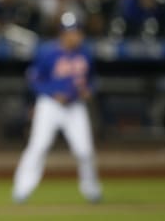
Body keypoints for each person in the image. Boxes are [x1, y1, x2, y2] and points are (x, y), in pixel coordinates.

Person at [12, 11, 102, 204]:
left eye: (78, 31)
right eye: (72, 31)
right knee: (38, 146)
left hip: (75, 106)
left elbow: (92, 80)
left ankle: (92, 191)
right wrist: (53, 92)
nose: (76, 35)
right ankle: (21, 190)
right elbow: (34, 79)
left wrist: (89, 89)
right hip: (49, 105)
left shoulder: (85, 52)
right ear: (62, 33)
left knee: (85, 150)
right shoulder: (47, 52)